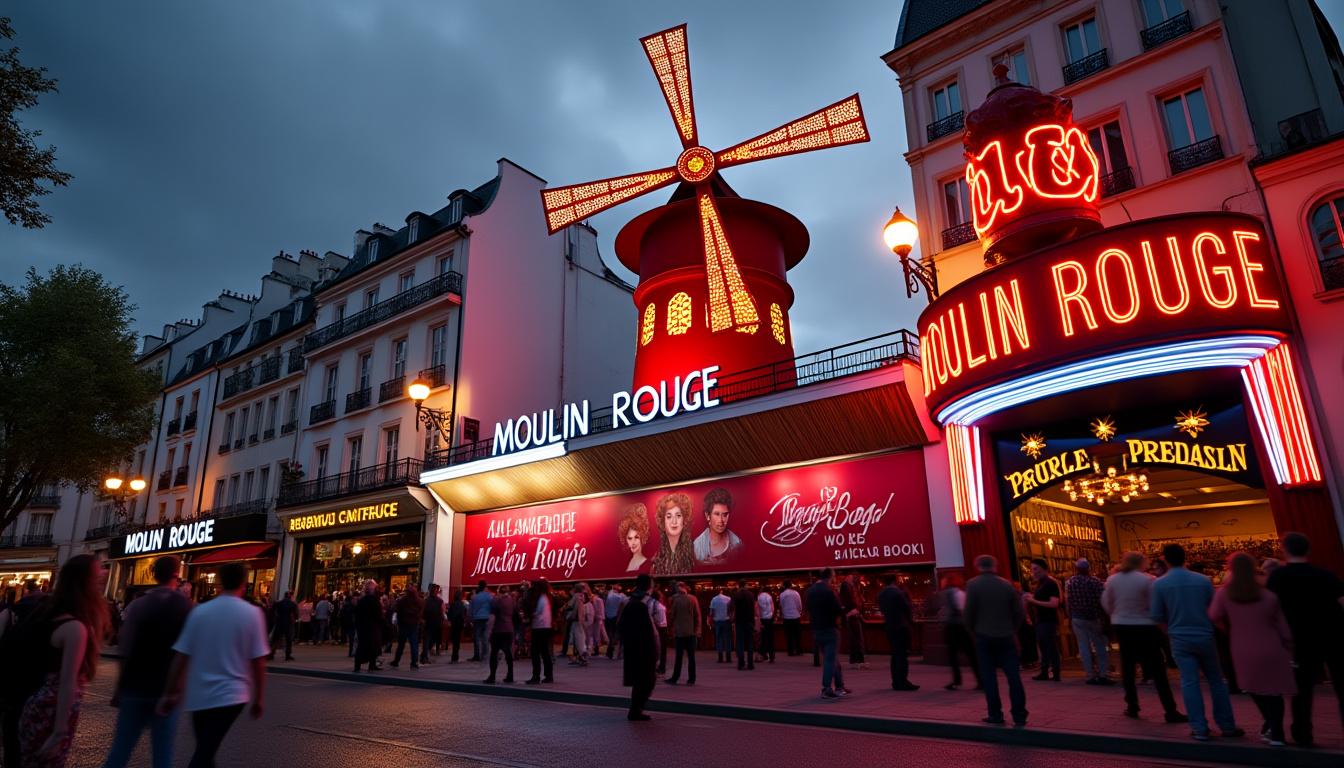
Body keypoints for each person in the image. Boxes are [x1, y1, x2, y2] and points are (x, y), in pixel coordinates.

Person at [157, 562, 266, 768]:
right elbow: (258, 661)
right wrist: (259, 697)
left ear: (220, 582)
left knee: (206, 748)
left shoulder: (200, 612)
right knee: (205, 752)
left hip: (199, 694)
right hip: (232, 694)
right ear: (244, 583)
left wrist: (171, 691)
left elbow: (182, 655)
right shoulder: (252, 614)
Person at [17, 555, 109, 768]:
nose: (104, 574)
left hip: (34, 706)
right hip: (50, 712)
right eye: (98, 573)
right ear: (85, 582)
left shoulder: (50, 614)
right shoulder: (75, 627)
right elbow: (68, 682)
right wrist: (60, 731)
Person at [104, 555, 192, 768]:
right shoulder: (186, 607)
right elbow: (186, 653)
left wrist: (119, 688)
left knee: (120, 751)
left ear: (154, 575)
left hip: (134, 685)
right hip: (165, 688)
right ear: (177, 574)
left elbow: (124, 648)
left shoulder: (138, 605)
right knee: (162, 755)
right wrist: (177, 689)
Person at [1151, 543, 1241, 741]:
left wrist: (1170, 633)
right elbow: (1214, 610)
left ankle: (1199, 727)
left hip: (1179, 636)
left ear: (1165, 559)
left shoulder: (1159, 584)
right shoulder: (1203, 581)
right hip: (1204, 634)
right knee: (1216, 681)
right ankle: (1227, 724)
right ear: (1185, 558)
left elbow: (1157, 616)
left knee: (1189, 682)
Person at [1266, 532, 1344, 748]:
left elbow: (1271, 609)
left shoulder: (1277, 578)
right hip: (1333, 635)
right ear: (1308, 550)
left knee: (1302, 689)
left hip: (1298, 638)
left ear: (1284, 550)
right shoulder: (1326, 575)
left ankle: (1302, 733)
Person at [1210, 552, 1295, 747]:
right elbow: (1284, 630)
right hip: (1271, 645)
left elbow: (1214, 616)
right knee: (1274, 691)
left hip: (1242, 645)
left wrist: (1229, 628)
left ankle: (1269, 723)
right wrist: (1290, 649)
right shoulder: (1268, 596)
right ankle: (1277, 731)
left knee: (1253, 687)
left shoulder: (1224, 594)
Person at [1101, 552, 1185, 723]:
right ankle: (1170, 709)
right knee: (1158, 668)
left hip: (1122, 626)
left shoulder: (1113, 580)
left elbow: (1106, 602)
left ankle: (1132, 705)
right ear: (1141, 563)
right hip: (1145, 626)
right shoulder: (1148, 580)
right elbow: (1155, 604)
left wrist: (1116, 615)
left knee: (1128, 667)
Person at [964, 555, 1027, 727]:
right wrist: (1012, 629)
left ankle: (995, 713)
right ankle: (1019, 714)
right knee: (1013, 677)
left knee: (989, 677)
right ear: (995, 565)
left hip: (983, 636)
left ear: (977, 565)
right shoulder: (1007, 585)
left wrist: (973, 631)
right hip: (1006, 636)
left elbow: (968, 613)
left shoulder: (973, 585)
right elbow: (1019, 612)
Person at [1, 579, 49, 767]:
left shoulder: (11, 611)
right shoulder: (49, 613)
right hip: (36, 680)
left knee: (10, 727)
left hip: (10, 677)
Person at [619, 573, 659, 721]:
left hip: (633, 646)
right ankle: (636, 709)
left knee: (640, 680)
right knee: (646, 680)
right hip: (644, 647)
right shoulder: (646, 602)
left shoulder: (630, 600)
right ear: (649, 585)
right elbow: (652, 628)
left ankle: (636, 708)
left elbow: (622, 624)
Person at [1066, 558, 1111, 685]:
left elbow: (1069, 602)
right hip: (1093, 617)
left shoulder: (1070, 582)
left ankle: (1089, 674)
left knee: (1083, 646)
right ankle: (1103, 673)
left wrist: (1070, 618)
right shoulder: (1095, 582)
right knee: (1099, 646)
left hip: (1077, 618)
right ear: (1088, 569)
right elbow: (1102, 600)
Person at [807, 569, 848, 699]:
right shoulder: (829, 591)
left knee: (831, 658)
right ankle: (826, 688)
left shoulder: (811, 591)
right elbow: (837, 609)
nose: (835, 578)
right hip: (830, 628)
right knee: (830, 659)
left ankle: (840, 686)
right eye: (834, 576)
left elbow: (807, 608)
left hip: (817, 629)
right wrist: (843, 611)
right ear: (831, 576)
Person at [938, 573, 980, 691]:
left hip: (951, 627)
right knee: (971, 655)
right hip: (960, 626)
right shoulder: (959, 593)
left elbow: (948, 609)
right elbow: (963, 610)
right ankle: (980, 680)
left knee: (953, 655)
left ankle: (957, 681)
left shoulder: (946, 594)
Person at [878, 574, 918, 691]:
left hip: (889, 626)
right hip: (901, 626)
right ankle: (903, 681)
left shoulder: (881, 594)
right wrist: (911, 622)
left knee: (895, 654)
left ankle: (895, 681)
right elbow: (907, 608)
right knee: (902, 655)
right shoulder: (897, 593)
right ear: (895, 581)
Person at [1023, 560, 1060, 682]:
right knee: (1044, 646)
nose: (1034, 572)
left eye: (1036, 569)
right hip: (1040, 619)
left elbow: (1054, 603)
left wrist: (1033, 601)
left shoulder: (1050, 583)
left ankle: (1055, 672)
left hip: (1048, 620)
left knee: (1050, 646)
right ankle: (1045, 671)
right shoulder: (1040, 583)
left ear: (1044, 569)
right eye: (1032, 569)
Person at [693, 488, 743, 565]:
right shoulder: (697, 546)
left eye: (725, 515)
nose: (721, 520)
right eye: (716, 514)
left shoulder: (737, 543)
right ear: (707, 516)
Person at [650, 492, 695, 575]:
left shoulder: (694, 552)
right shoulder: (657, 558)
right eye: (669, 516)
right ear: (663, 521)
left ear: (684, 520)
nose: (674, 521)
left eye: (678, 515)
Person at [665, 582, 700, 685]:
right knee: (691, 657)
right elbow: (697, 616)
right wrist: (697, 630)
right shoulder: (693, 599)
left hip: (679, 632)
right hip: (691, 632)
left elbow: (672, 616)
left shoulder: (676, 600)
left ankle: (675, 677)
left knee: (679, 657)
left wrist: (670, 628)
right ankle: (691, 679)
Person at [484, 585, 518, 684]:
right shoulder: (513, 601)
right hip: (509, 628)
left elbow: (492, 612)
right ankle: (510, 675)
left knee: (494, 653)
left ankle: (492, 676)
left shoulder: (496, 601)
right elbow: (515, 614)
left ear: (499, 591)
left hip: (498, 629)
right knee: (508, 653)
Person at [525, 580, 555, 684]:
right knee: (545, 652)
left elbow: (537, 613)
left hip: (539, 627)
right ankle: (548, 675)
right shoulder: (547, 597)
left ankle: (536, 675)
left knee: (535, 652)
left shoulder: (541, 598)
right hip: (546, 626)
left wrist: (530, 616)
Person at [390, 584, 424, 669]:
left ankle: (396, 661)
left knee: (401, 644)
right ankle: (414, 663)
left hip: (404, 624)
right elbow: (421, 611)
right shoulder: (419, 601)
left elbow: (396, 609)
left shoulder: (402, 600)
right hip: (413, 624)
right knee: (414, 644)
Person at [352, 580, 384, 673]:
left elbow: (356, 614)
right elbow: (378, 615)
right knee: (372, 646)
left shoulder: (362, 601)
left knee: (362, 646)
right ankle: (371, 665)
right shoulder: (374, 601)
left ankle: (358, 666)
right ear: (372, 590)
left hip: (363, 627)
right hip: (372, 627)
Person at [839, 573, 866, 668]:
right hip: (853, 614)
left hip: (852, 614)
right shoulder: (847, 586)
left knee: (854, 638)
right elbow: (848, 600)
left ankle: (855, 659)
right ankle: (858, 659)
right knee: (857, 638)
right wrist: (854, 609)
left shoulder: (849, 586)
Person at [729, 582, 758, 671]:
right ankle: (750, 663)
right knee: (750, 643)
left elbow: (732, 607)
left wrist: (733, 619)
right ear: (745, 585)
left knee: (740, 642)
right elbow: (754, 608)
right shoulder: (751, 595)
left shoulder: (736, 595)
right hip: (749, 621)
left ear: (739, 586)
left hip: (739, 621)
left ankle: (741, 663)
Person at [619, 505, 651, 572]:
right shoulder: (627, 563)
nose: (633, 542)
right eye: (629, 538)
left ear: (642, 537)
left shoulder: (647, 564)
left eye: (636, 537)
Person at [268, 591, 297, 661]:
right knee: (288, 640)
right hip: (288, 623)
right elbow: (295, 614)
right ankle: (287, 655)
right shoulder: (292, 604)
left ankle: (271, 654)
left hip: (279, 622)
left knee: (275, 639)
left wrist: (275, 618)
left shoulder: (278, 603)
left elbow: (272, 612)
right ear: (290, 596)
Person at [469, 581, 493, 662]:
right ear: (485, 587)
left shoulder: (475, 597)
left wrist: (471, 619)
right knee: (485, 637)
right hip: (486, 618)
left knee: (476, 638)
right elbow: (492, 607)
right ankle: (485, 655)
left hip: (477, 619)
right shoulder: (489, 596)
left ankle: (476, 655)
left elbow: (471, 610)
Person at [566, 587, 590, 666]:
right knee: (578, 640)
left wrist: (570, 617)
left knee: (577, 640)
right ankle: (579, 657)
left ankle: (581, 657)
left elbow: (575, 610)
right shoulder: (580, 598)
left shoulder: (576, 598)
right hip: (578, 621)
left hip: (576, 621)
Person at [708, 586, 732, 664]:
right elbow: (730, 610)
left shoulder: (714, 599)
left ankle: (720, 657)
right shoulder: (728, 599)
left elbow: (712, 612)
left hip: (717, 620)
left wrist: (711, 621)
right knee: (727, 639)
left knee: (719, 639)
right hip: (726, 620)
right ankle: (728, 657)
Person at [779, 581, 802, 656]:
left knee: (789, 635)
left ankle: (790, 651)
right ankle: (798, 650)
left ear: (784, 586)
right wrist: (799, 611)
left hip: (786, 617)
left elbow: (781, 605)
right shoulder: (796, 593)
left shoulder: (782, 594)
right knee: (797, 635)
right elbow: (799, 604)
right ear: (791, 585)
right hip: (796, 616)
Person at [604, 584, 627, 660]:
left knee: (611, 634)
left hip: (608, 617)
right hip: (616, 617)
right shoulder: (621, 596)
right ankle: (615, 651)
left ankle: (610, 651)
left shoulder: (609, 595)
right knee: (617, 635)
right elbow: (622, 606)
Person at [422, 585, 445, 663]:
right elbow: (442, 611)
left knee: (428, 639)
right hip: (436, 622)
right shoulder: (440, 601)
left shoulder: (426, 600)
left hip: (429, 622)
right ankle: (425, 655)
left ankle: (424, 655)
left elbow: (423, 611)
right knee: (432, 639)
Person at [447, 589, 468, 663]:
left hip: (454, 623)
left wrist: (450, 620)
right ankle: (456, 656)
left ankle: (454, 656)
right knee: (457, 640)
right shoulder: (462, 605)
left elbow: (449, 614)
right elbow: (464, 614)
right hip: (460, 623)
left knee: (454, 640)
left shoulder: (453, 604)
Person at [651, 589, 669, 675]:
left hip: (663, 627)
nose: (661, 596)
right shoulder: (654, 604)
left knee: (662, 648)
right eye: (660, 594)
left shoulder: (659, 603)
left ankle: (662, 667)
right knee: (658, 648)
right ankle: (658, 666)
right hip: (659, 627)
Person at [756, 587, 776, 663]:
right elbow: (772, 608)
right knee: (770, 638)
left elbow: (757, 611)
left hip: (763, 620)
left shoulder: (759, 597)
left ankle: (762, 654)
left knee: (764, 637)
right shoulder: (769, 597)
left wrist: (760, 619)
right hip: (770, 620)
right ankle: (771, 656)